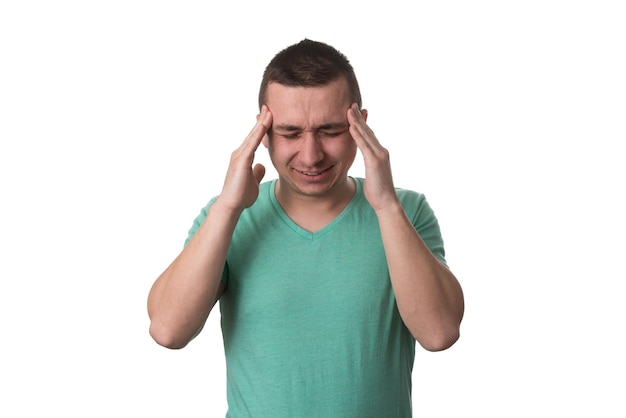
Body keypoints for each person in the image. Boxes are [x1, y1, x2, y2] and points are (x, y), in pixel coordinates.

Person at [147, 39, 464, 417]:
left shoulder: (406, 211)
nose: (311, 156)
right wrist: (228, 207)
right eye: (291, 133)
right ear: (263, 134)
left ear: (359, 124)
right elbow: (167, 330)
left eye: (330, 131)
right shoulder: (227, 217)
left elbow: (439, 333)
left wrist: (386, 206)